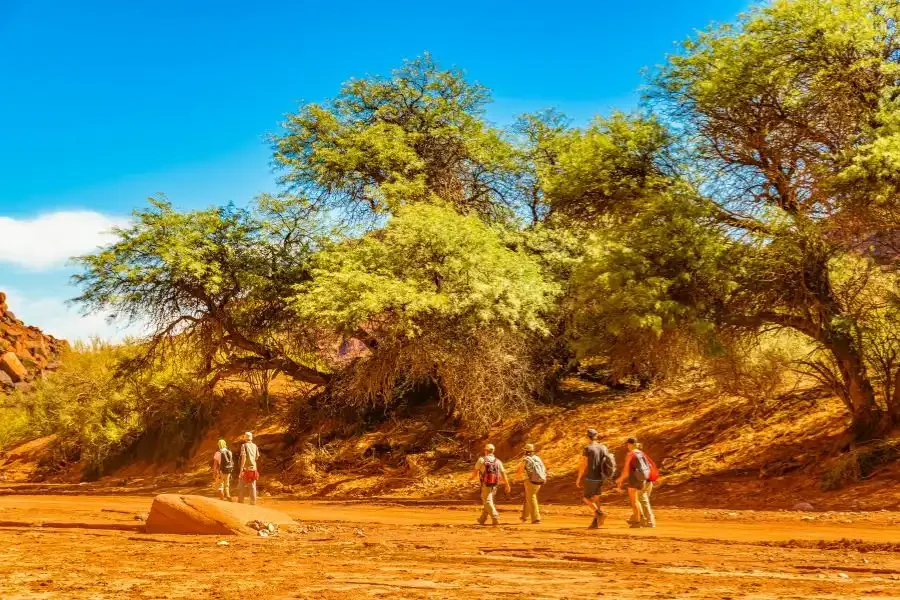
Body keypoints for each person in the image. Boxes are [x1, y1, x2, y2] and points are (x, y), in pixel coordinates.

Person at [575, 428, 615, 529]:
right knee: (596, 498)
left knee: (586, 498)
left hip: (591, 477)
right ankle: (596, 522)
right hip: (601, 477)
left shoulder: (587, 448)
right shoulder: (604, 447)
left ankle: (600, 513)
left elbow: (583, 464)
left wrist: (579, 478)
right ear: (596, 436)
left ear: (587, 437)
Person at [616, 436, 658, 528]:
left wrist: (620, 479)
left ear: (630, 444)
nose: (627, 446)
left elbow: (626, 470)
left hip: (637, 480)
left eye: (627, 444)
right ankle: (638, 519)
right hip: (647, 479)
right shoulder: (642, 453)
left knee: (639, 500)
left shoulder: (630, 454)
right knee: (641, 500)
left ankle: (647, 521)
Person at [471, 443, 510, 525]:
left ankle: (495, 517)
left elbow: (475, 471)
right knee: (488, 500)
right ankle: (482, 519)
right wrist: (507, 484)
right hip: (495, 484)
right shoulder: (498, 461)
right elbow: (503, 474)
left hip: (486, 483)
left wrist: (472, 478)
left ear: (485, 451)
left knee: (487, 501)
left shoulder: (482, 460)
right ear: (493, 451)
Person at [516, 443, 547, 524]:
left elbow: (520, 470)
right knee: (529, 496)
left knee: (531, 497)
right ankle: (524, 516)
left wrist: (516, 478)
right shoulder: (538, 458)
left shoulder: (526, 459)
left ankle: (536, 518)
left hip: (530, 481)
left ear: (525, 451)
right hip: (539, 480)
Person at [237, 431, 261, 505]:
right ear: (251, 438)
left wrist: (241, 470)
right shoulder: (255, 446)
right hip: (253, 468)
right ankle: (253, 502)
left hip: (245, 469)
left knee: (241, 485)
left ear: (245, 438)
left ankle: (240, 502)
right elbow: (256, 457)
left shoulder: (244, 446)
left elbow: (243, 458)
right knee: (252, 486)